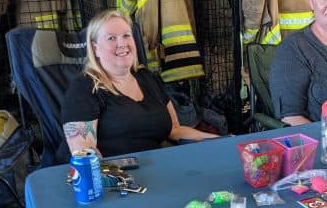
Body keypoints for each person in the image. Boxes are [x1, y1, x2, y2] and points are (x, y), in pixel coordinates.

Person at [58, 9, 217, 161]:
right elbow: (85, 153)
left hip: (150, 168)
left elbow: (174, 130)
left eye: (126, 35)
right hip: (110, 174)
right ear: (95, 48)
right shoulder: (84, 88)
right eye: (111, 38)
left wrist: (221, 141)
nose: (122, 43)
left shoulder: (147, 78)